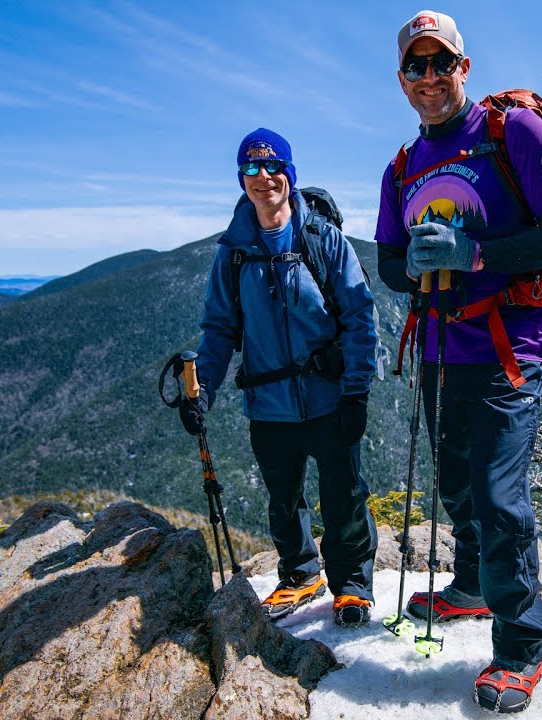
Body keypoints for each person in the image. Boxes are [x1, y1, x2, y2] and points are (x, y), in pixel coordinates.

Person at [374, 10, 542, 714]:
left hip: (504, 353)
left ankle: (523, 646)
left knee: (499, 502)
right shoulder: (402, 167)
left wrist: (475, 256)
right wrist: (418, 266)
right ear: (402, 79)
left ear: (464, 68)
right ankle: (470, 588)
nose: (429, 77)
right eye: (416, 66)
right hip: (438, 352)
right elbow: (389, 265)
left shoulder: (512, 134)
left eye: (441, 63)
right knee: (460, 490)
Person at [180, 128, 379, 627]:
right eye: (251, 169)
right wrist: (202, 390)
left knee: (343, 494)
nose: (263, 178)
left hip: (329, 396)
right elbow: (220, 328)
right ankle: (299, 575)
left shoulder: (322, 239)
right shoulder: (234, 252)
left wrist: (356, 390)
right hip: (268, 402)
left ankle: (351, 583)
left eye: (273, 168)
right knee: (284, 498)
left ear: (289, 174)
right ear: (241, 179)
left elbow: (360, 316)